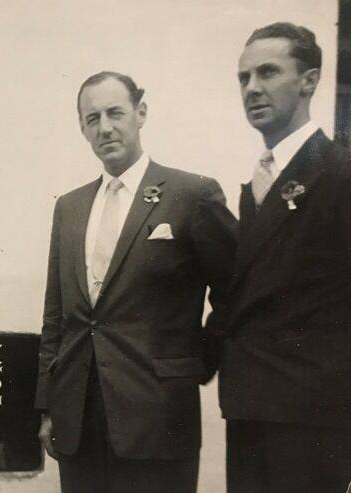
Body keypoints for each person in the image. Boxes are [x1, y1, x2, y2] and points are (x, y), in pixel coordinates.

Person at [35, 71, 237, 493]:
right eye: (92, 118)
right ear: (82, 128)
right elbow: (56, 316)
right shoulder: (70, 208)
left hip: (158, 417)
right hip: (79, 420)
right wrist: (48, 407)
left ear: (140, 113)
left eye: (115, 113)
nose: (105, 127)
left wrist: (196, 361)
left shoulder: (190, 194)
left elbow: (237, 289)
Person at [219, 22, 351, 492]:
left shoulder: (339, 173)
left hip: (312, 418)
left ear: (310, 80)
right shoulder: (258, 181)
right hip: (252, 407)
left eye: (269, 73)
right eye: (244, 77)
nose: (252, 88)